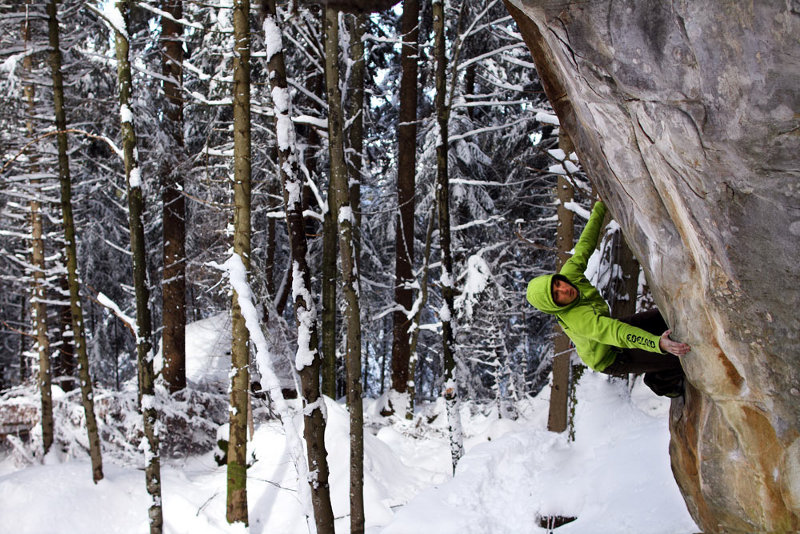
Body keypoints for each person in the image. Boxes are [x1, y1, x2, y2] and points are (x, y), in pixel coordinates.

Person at [526, 199, 689, 397]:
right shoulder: (579, 319)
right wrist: (657, 344)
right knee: (677, 355)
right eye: (556, 295)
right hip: (610, 357)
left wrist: (600, 207)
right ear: (555, 307)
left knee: (663, 317)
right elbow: (615, 332)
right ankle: (661, 382)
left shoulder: (570, 274)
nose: (564, 289)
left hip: (611, 330)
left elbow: (585, 244)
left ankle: (658, 363)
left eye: (557, 284)